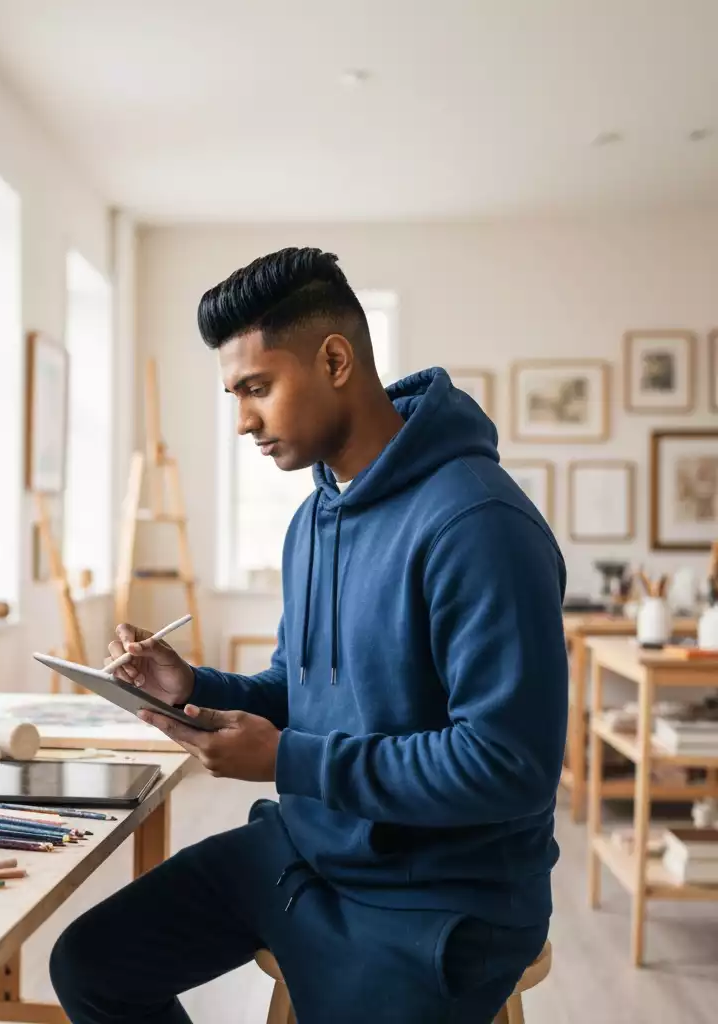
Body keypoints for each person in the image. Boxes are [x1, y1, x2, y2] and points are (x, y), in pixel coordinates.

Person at [49, 247, 569, 1023]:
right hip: (312, 849)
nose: (242, 422)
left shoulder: (479, 523)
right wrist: (193, 686)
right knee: (91, 963)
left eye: (257, 388)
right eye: (234, 395)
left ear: (334, 360)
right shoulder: (313, 519)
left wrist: (288, 759)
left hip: (443, 895)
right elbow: (302, 692)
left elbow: (508, 767)